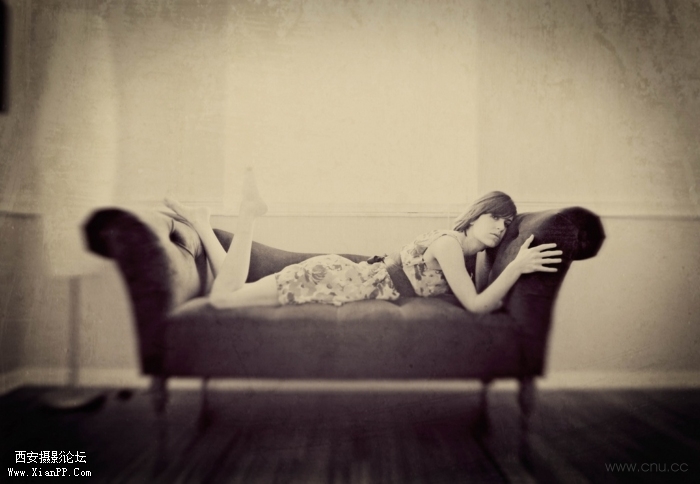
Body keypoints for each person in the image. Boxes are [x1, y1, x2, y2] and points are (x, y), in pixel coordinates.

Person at [165, 168, 562, 314]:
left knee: (231, 290)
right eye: (495, 217)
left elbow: (480, 300)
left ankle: (202, 223)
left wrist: (504, 269)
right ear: (476, 214)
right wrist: (516, 267)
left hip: (343, 276)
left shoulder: (468, 253)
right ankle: (248, 216)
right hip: (338, 281)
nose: (500, 228)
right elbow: (476, 306)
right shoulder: (449, 246)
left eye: (506, 224)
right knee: (223, 300)